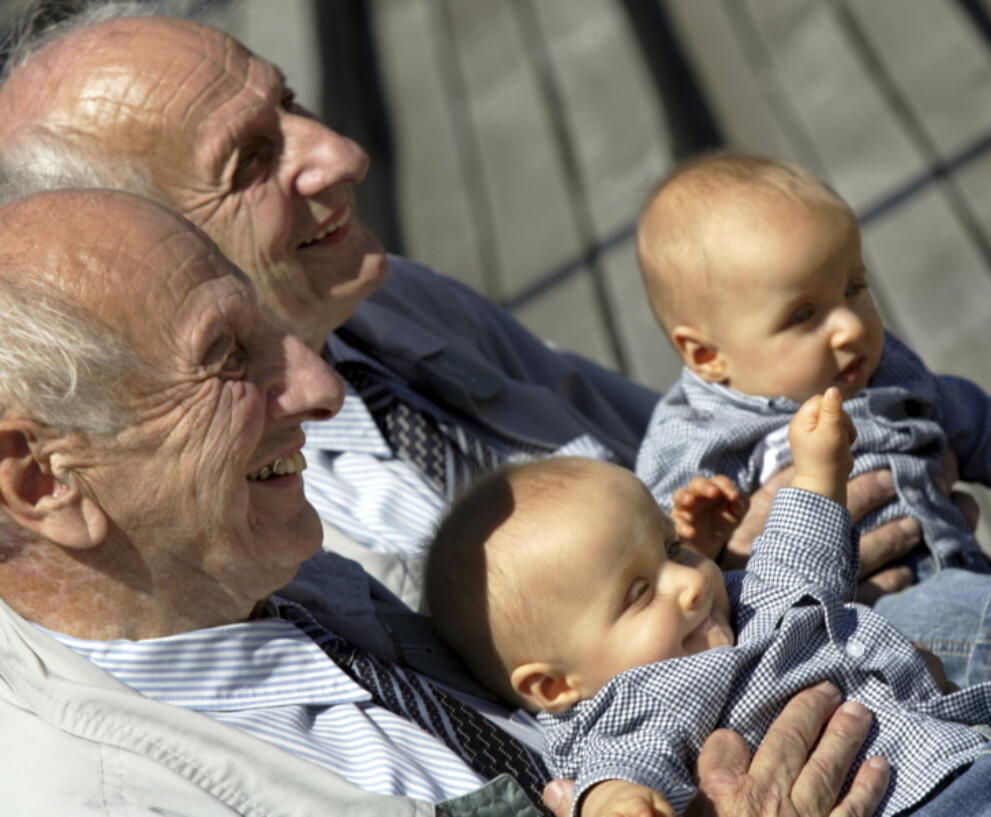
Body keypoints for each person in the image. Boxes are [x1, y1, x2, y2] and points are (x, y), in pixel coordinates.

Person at [0, 185, 892, 817]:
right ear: (42, 479)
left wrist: (736, 563)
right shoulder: (113, 796)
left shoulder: (246, 570)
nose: (319, 386)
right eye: (228, 358)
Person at [426, 389, 991, 817]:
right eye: (639, 592)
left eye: (669, 549)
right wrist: (612, 805)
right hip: (946, 806)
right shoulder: (632, 713)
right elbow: (616, 773)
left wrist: (816, 475)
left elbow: (793, 562)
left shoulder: (736, 614)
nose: (689, 579)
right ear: (552, 685)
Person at [633, 152, 991, 689]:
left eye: (855, 288)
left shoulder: (881, 372)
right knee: (914, 616)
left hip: (975, 579)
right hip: (881, 648)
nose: (850, 326)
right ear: (708, 355)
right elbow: (662, 577)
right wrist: (697, 540)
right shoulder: (698, 438)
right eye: (804, 314)